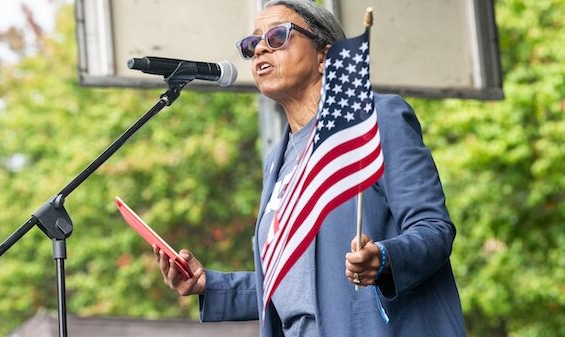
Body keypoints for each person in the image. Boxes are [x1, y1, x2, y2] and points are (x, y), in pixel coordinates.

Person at [153, 0, 466, 336]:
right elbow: (299, 283)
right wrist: (209, 285)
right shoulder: (277, 160)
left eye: (276, 36)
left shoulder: (376, 120)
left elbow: (434, 229)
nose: (259, 48)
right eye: (251, 43)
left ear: (324, 55)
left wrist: (385, 258)